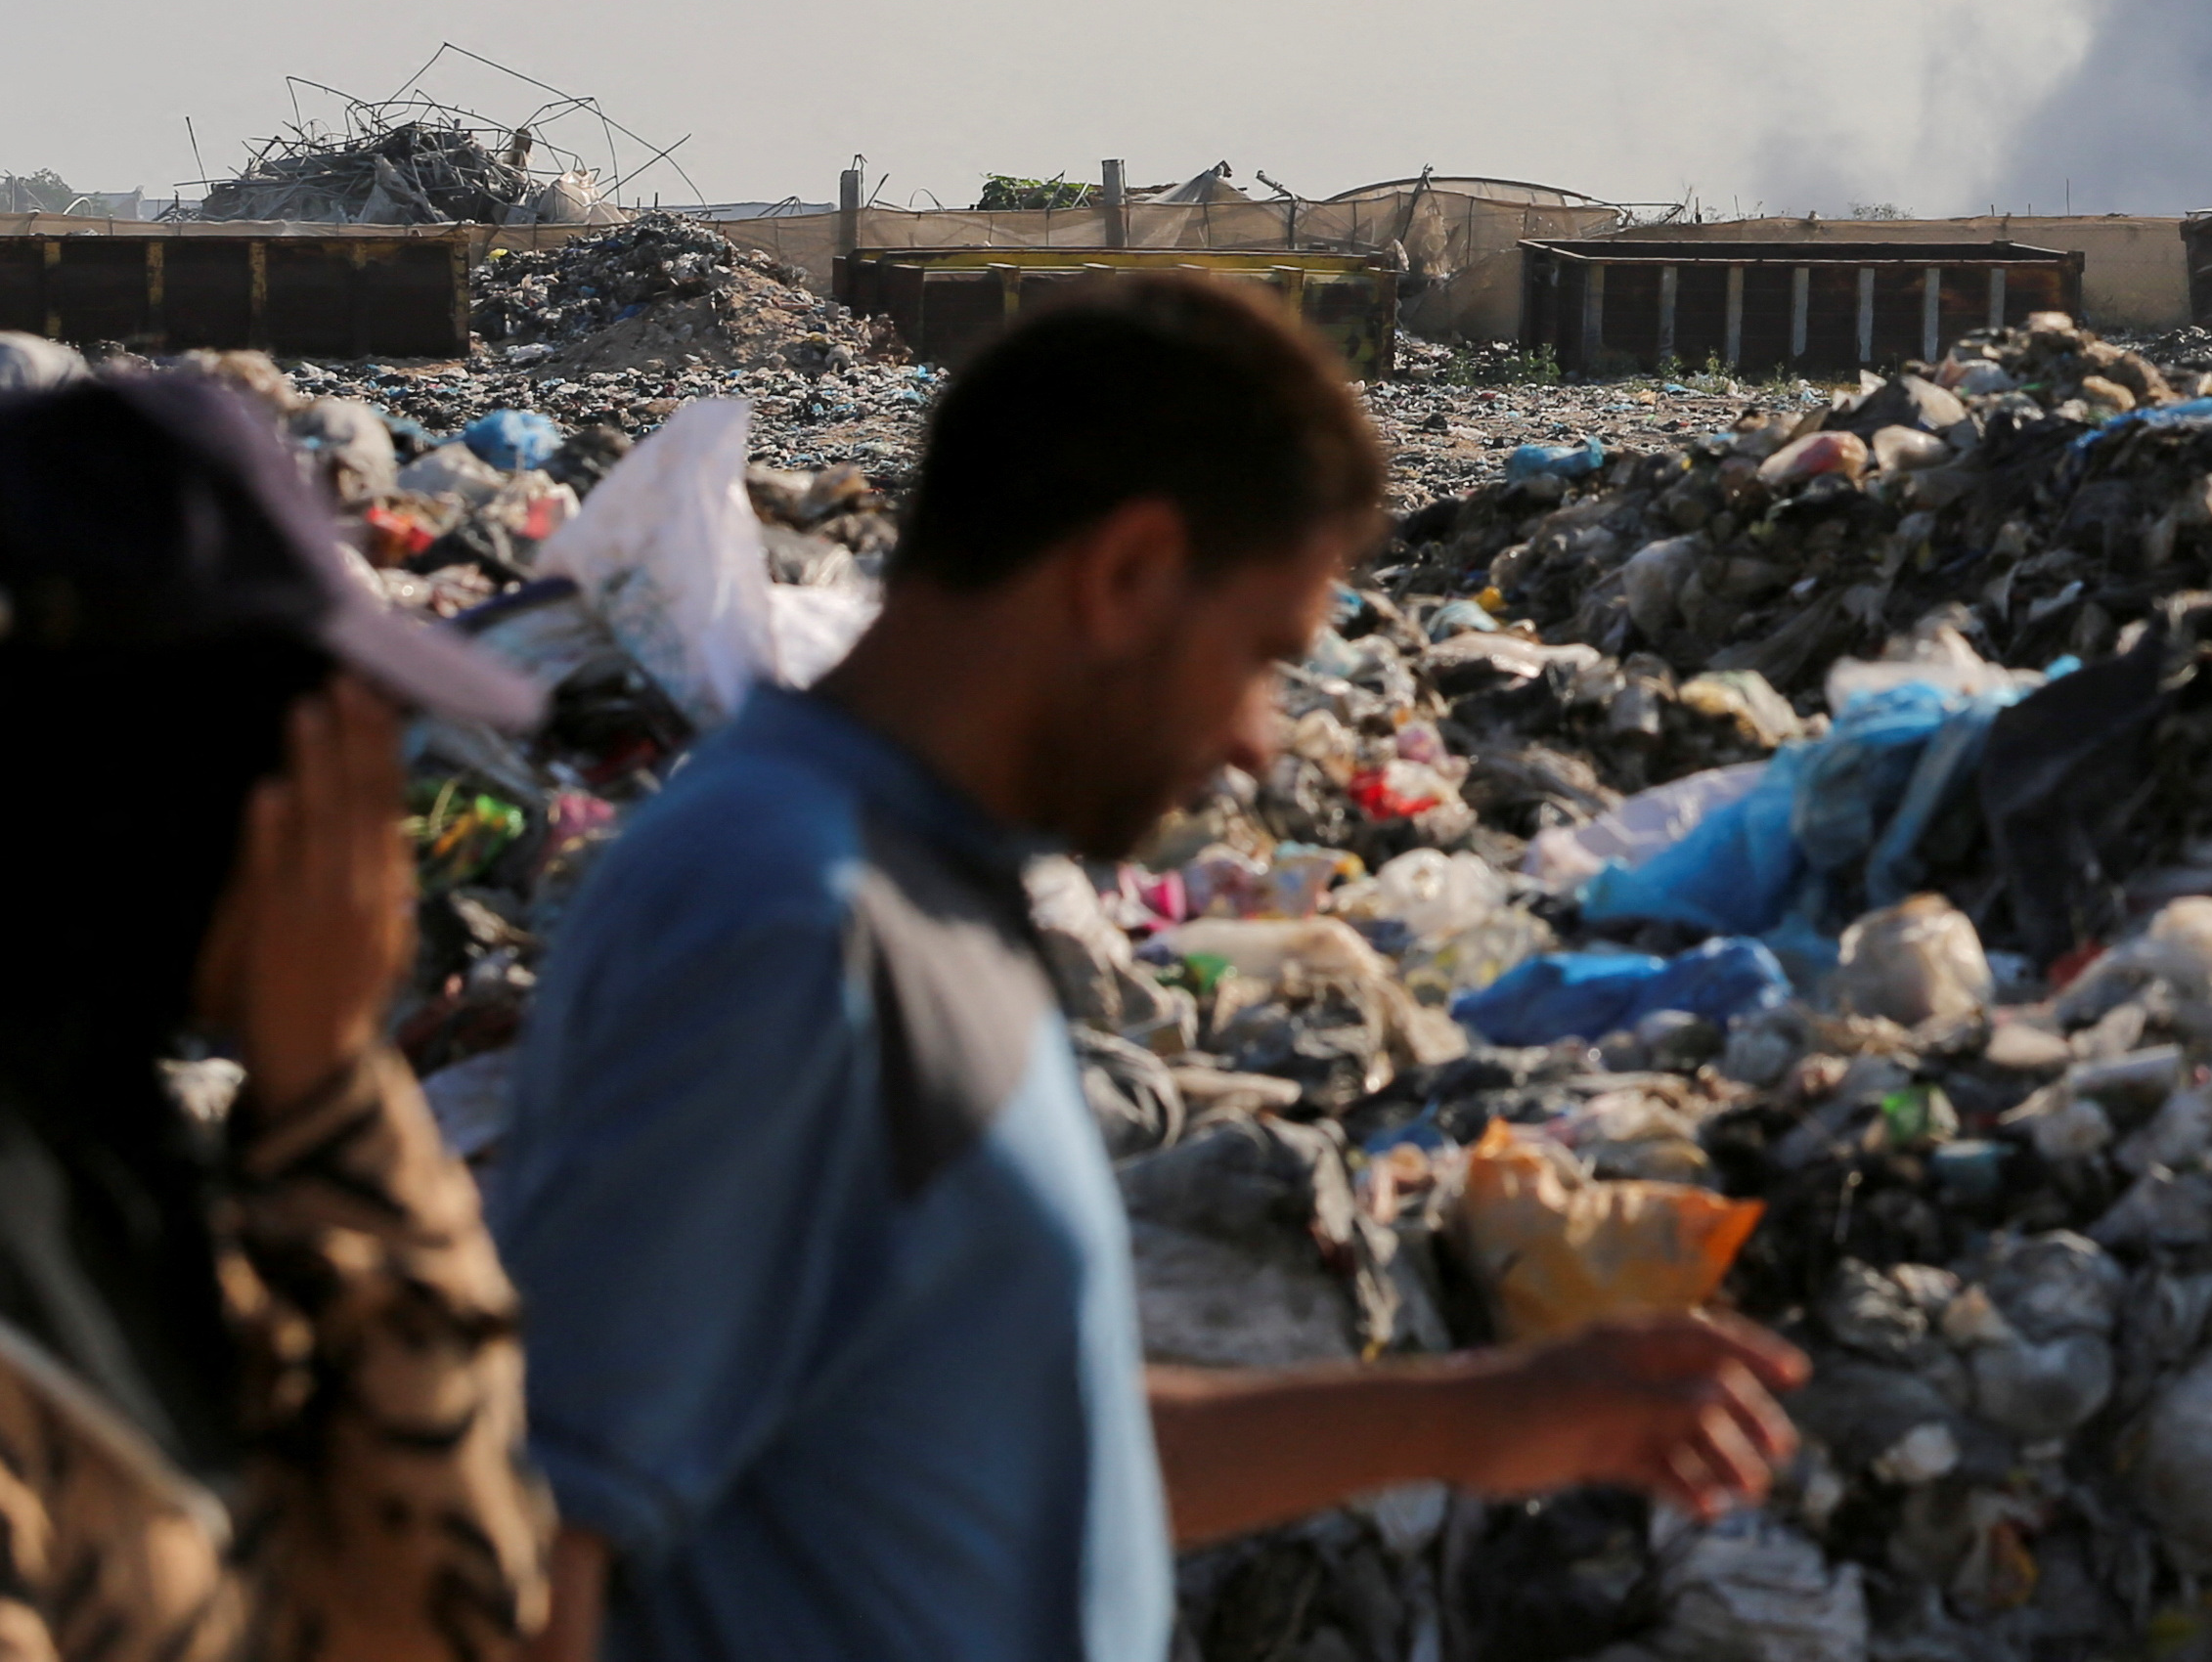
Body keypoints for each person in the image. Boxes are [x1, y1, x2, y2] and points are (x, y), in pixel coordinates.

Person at [492, 276, 1801, 1662]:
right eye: (1261, 656)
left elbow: (1027, 1456)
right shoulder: (779, 918)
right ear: (1124, 576)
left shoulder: (927, 895)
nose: (1261, 743)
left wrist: (1474, 1418)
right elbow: (534, 1539)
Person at [0, 365, 561, 1661]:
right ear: (158, 776)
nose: (370, 850)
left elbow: (438, 1616)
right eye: (319, 761)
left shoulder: (108, 1164)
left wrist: (338, 1100)